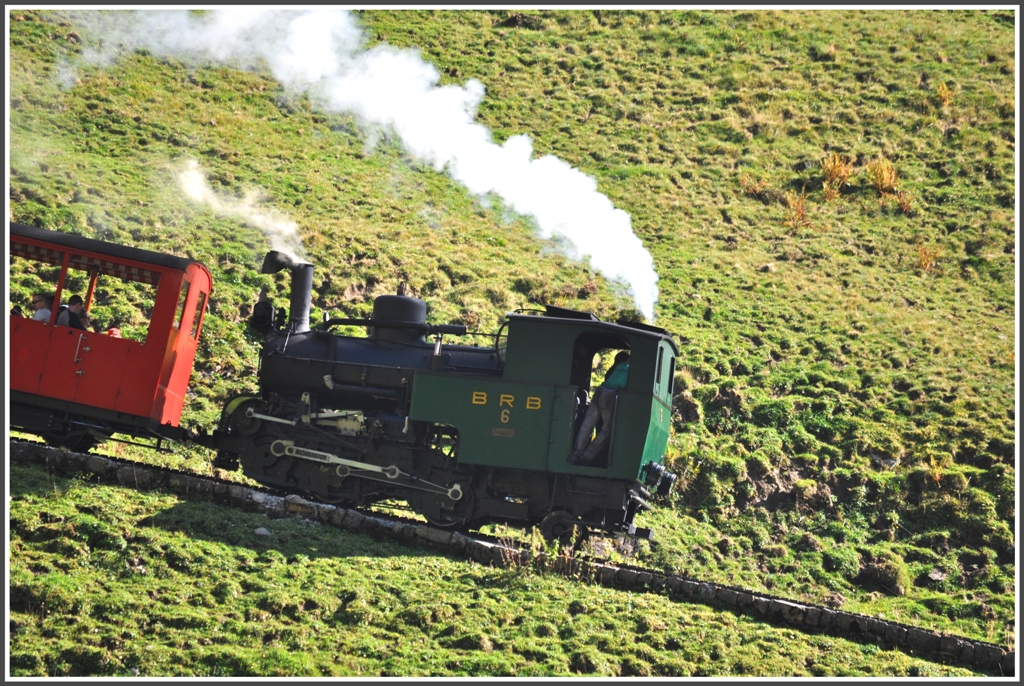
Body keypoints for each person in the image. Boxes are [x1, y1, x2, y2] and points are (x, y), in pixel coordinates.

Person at [572, 351, 630, 466]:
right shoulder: (629, 369)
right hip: (609, 395)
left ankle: (575, 455)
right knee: (607, 429)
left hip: (600, 390)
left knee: (587, 424)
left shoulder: (619, 366)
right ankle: (587, 456)